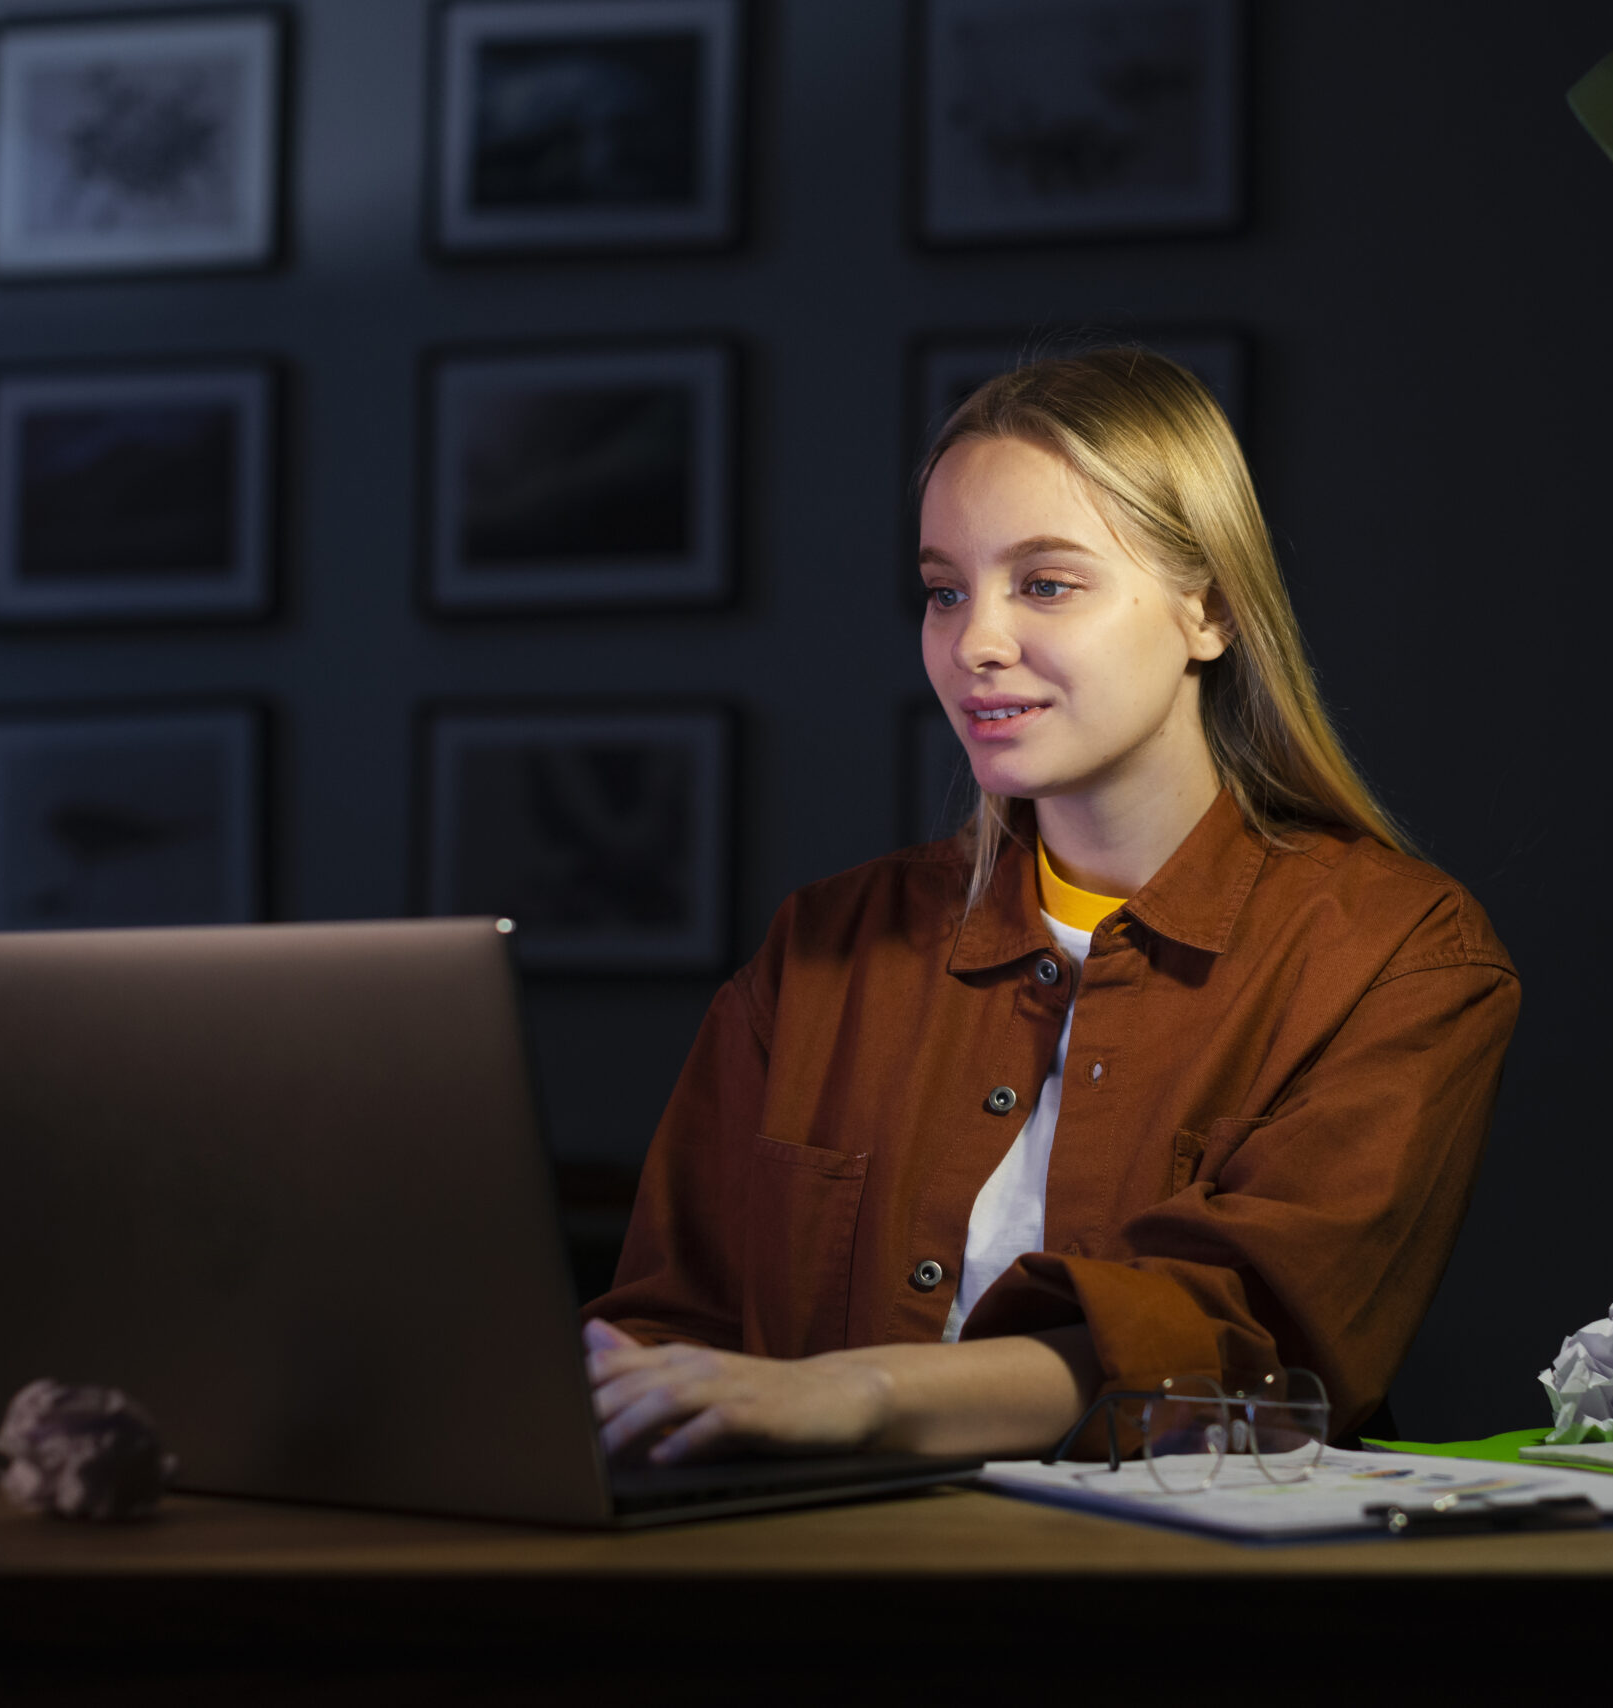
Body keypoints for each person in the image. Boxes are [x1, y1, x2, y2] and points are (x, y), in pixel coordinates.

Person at [581, 348, 1518, 1465]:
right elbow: (667, 1326)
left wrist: (868, 1391)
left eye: (1045, 583)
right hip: (812, 1602)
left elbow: (1254, 1348)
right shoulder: (822, 947)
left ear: (1208, 610)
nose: (972, 641)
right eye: (943, 589)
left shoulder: (1396, 956)